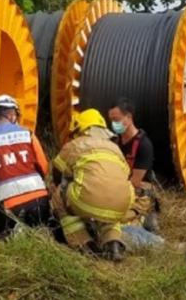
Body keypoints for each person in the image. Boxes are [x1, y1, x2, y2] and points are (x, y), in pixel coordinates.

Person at [51, 108, 134, 262]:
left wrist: (66, 191)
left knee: (58, 194)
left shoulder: (75, 144)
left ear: (80, 128)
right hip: (123, 203)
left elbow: (56, 173)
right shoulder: (116, 149)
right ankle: (113, 244)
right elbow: (125, 176)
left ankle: (84, 244)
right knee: (109, 208)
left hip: (90, 202)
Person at [0, 94, 52, 240]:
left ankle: (13, 232)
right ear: (12, 114)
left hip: (10, 207)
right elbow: (44, 167)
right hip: (40, 203)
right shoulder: (28, 134)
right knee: (39, 228)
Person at [107, 97, 160, 233]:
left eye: (116, 119)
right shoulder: (114, 142)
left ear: (129, 117)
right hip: (118, 188)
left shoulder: (144, 145)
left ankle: (143, 219)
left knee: (116, 221)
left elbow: (135, 182)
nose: (113, 124)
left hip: (137, 193)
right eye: (111, 120)